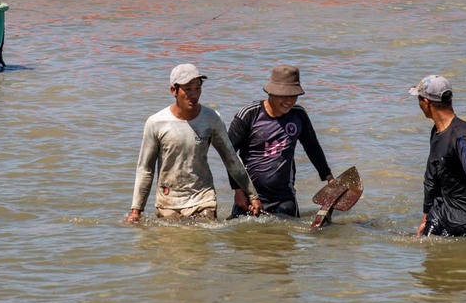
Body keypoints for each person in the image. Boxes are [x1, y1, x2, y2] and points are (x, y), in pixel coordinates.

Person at [127, 63, 262, 223]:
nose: (193, 94)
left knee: (202, 245)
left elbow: (230, 158)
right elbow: (145, 169)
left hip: (203, 198)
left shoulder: (211, 119)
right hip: (169, 201)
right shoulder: (156, 123)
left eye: (197, 88)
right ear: (173, 91)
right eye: (187, 89)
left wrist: (252, 195)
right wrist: (136, 210)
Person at [227, 64, 334, 218]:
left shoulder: (298, 115)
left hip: (285, 198)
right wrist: (237, 190)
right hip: (250, 198)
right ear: (271, 92)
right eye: (283, 95)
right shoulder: (249, 114)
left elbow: (312, 146)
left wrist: (328, 177)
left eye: (293, 95)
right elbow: (228, 153)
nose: (289, 101)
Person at [412, 74, 466, 245]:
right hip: (440, 213)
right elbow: (431, 179)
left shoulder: (461, 135)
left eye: (419, 99)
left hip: (465, 219)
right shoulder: (436, 131)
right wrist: (425, 217)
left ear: (427, 102)